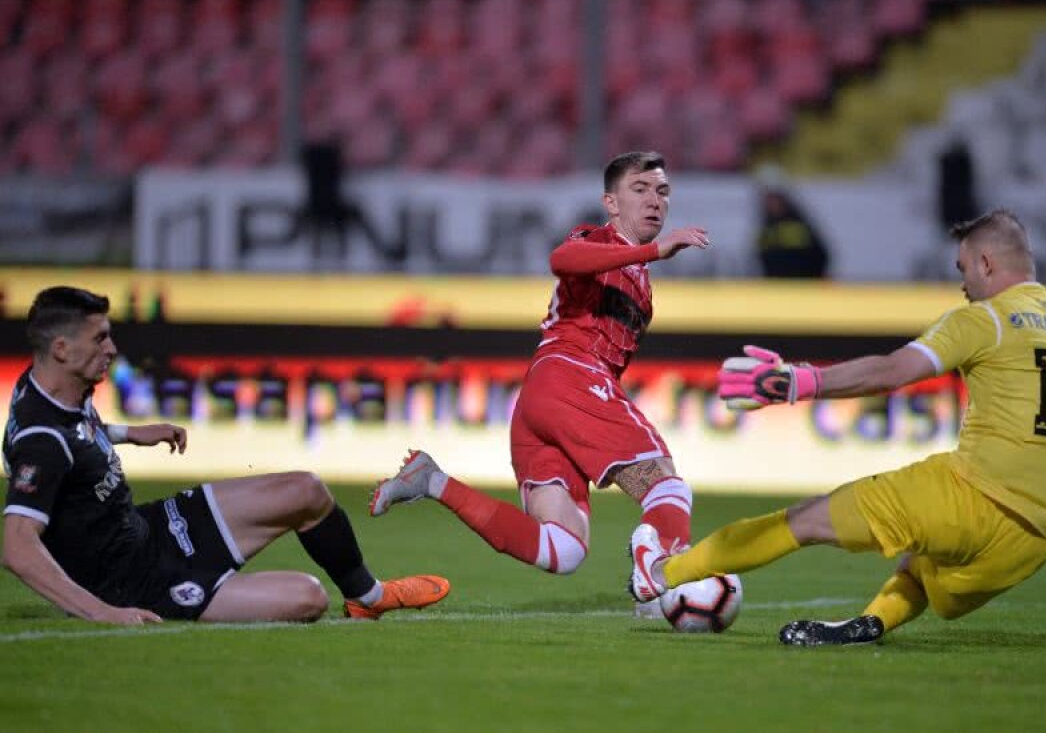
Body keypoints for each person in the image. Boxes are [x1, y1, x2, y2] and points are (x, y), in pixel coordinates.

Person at [629, 210, 1046, 645]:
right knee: (925, 571)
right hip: (1029, 544)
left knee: (799, 523)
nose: (963, 284)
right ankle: (870, 625)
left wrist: (800, 383)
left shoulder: (986, 318)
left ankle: (662, 572)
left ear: (988, 265)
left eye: (964, 270)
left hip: (966, 497)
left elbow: (894, 371)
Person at [370, 152, 710, 599]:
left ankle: (431, 480)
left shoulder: (640, 283)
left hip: (543, 398)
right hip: (570, 375)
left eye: (662, 192)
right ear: (611, 203)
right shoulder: (599, 240)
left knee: (563, 549)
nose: (655, 202)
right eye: (640, 190)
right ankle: (659, 573)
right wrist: (651, 249)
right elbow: (562, 258)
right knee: (666, 485)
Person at [2, 286, 449, 625]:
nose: (112, 350)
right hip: (132, 583)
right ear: (61, 349)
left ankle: (368, 598)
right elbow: (17, 547)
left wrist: (132, 433)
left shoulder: (51, 384)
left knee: (306, 490)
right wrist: (102, 612)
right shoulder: (42, 442)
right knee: (308, 597)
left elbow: (78, 432)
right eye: (100, 339)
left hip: (150, 529)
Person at [756, 187, 830, 278]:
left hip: (802, 281)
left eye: (774, 201)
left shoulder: (798, 224)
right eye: (768, 202)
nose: (771, 205)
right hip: (776, 283)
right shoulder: (767, 227)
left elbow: (820, 253)